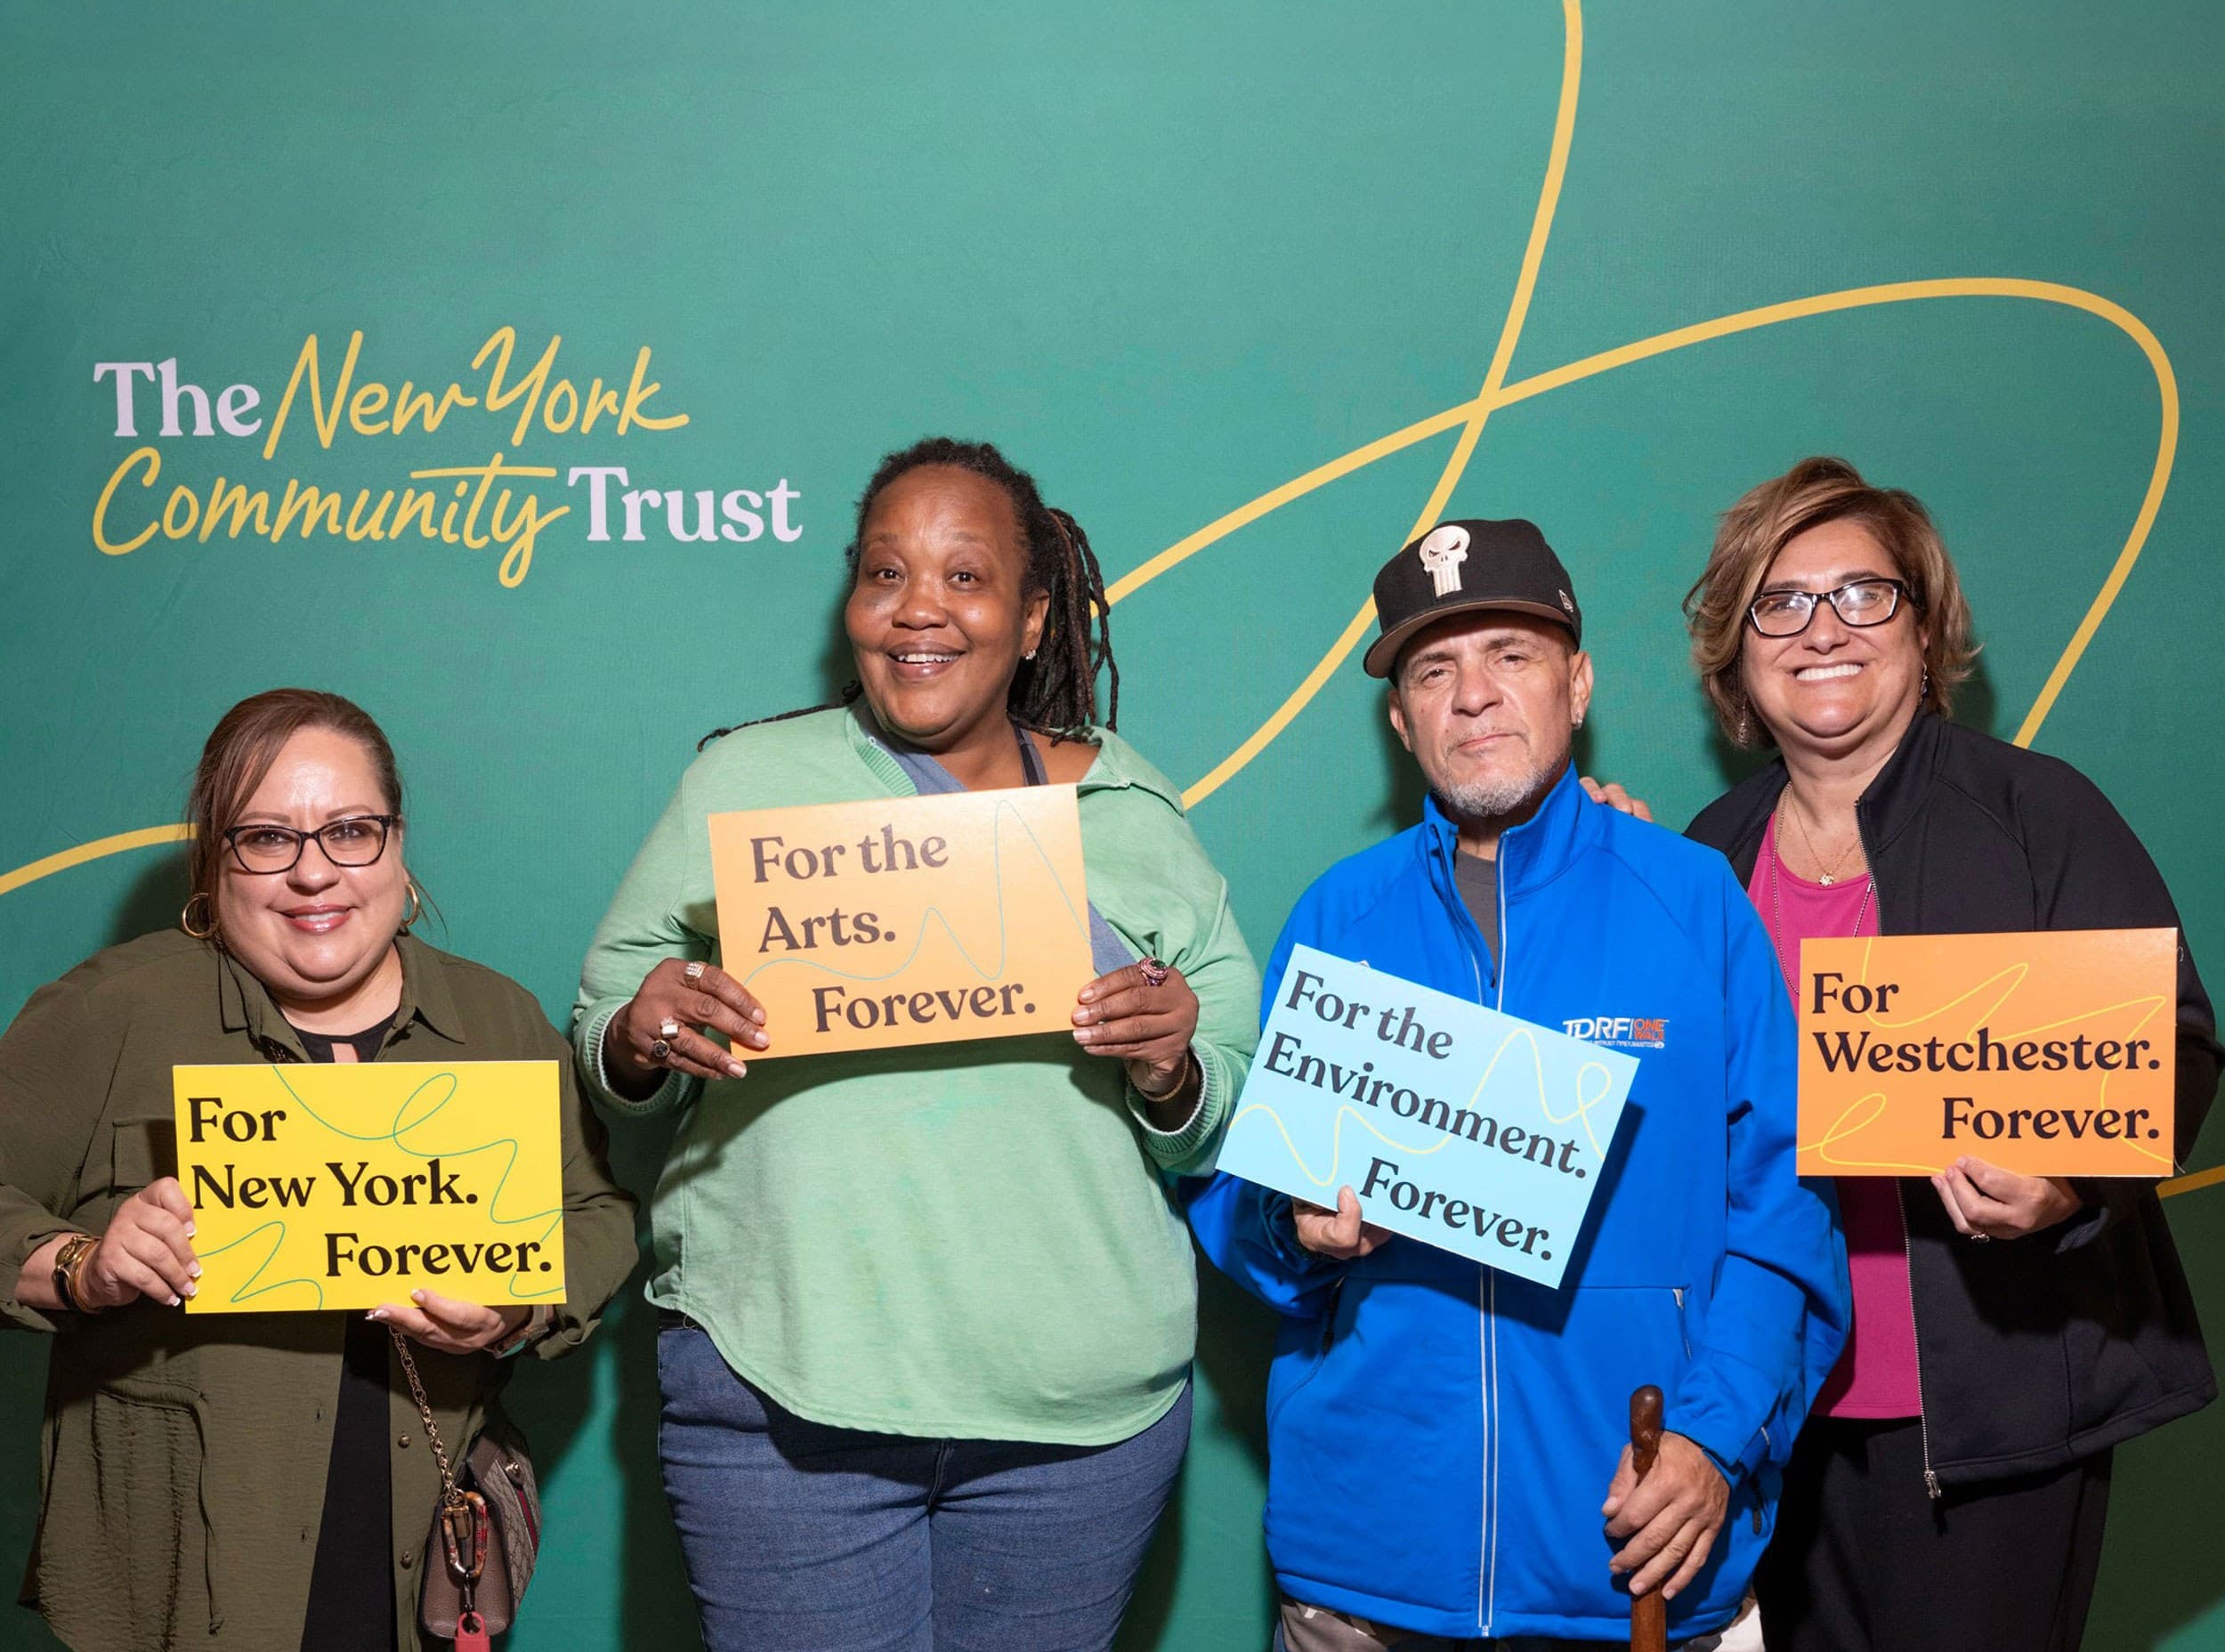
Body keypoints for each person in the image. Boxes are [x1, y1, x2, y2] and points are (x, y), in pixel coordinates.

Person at [570, 436, 1260, 1652]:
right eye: (886, 575)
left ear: (1035, 617)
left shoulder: (1134, 814)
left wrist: (1174, 1066)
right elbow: (611, 1028)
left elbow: (1236, 1092)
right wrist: (639, 1034)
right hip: (785, 1397)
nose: (919, 611)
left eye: (966, 577)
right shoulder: (746, 780)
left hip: (1075, 1431)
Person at [1189, 518, 1848, 1650]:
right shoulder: (1337, 917)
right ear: (1400, 721)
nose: (1474, 694)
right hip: (1367, 1578)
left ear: (1577, 684)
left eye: (1512, 653)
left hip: (1641, 1555)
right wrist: (1296, 1229)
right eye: (1434, 669)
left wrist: (1713, 1437)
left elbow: (1787, 1201)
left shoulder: (1691, 901)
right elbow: (1247, 1221)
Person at [1683, 457, 2219, 1652]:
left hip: (1987, 1413)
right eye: (1780, 601)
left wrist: (2068, 1178)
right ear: (1738, 649)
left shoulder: (2038, 810)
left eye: (1864, 594)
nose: (1823, 629)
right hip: (1779, 1411)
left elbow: (2170, 1044)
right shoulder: (1706, 855)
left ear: (1925, 632)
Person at [0, 688, 637, 1652]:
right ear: (214, 858)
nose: (313, 873)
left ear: (397, 842)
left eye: (350, 830)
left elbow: (595, 1208)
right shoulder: (114, 1009)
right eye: (265, 837)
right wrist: (82, 1263)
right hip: (183, 1573)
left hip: (415, 1562)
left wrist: (516, 1301)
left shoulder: (495, 1021)